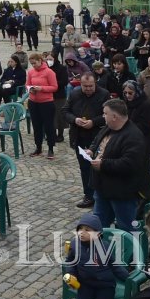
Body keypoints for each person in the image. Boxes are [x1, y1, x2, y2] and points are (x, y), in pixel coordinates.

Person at [88, 99, 147, 232]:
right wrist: (92, 149)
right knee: (99, 225)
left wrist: (103, 165)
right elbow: (97, 140)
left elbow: (130, 163)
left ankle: (133, 247)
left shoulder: (133, 136)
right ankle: (103, 245)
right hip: (102, 187)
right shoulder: (109, 128)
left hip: (122, 192)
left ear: (114, 116)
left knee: (127, 227)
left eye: (105, 113)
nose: (103, 116)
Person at [62, 213, 130, 299]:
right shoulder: (74, 244)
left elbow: (115, 266)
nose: (82, 232)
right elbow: (70, 261)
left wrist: (128, 279)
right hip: (85, 283)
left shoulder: (104, 247)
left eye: (87, 230)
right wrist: (71, 274)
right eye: (80, 229)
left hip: (105, 284)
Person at [65, 72, 110, 208]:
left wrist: (93, 122)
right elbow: (65, 111)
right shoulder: (74, 93)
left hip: (97, 136)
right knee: (84, 167)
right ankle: (89, 196)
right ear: (81, 84)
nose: (88, 89)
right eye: (85, 86)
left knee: (99, 167)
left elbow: (108, 116)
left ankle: (101, 195)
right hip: (79, 135)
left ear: (95, 83)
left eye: (91, 86)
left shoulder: (104, 94)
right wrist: (75, 120)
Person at [26, 52, 59, 158]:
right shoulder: (31, 72)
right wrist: (30, 89)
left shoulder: (49, 72)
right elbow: (27, 84)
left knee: (49, 126)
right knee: (36, 126)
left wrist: (42, 88)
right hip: (33, 102)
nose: (33, 65)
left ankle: (50, 148)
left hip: (46, 103)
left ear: (40, 61)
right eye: (31, 64)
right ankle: (38, 147)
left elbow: (54, 87)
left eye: (34, 63)